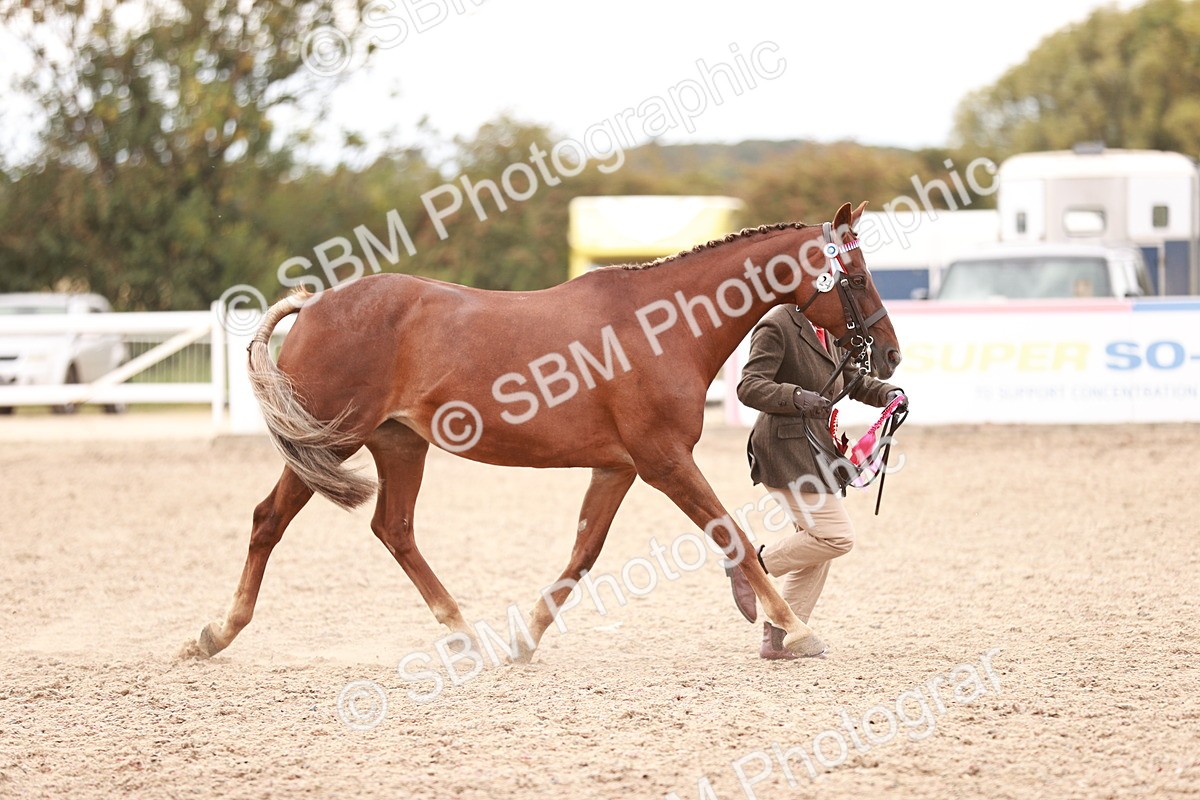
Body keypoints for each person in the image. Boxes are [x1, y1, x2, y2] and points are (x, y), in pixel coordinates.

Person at [730, 304, 906, 659]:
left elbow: (851, 380)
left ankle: (780, 637)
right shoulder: (777, 324)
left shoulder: (829, 324)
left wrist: (886, 394)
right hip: (783, 450)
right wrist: (796, 397)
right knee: (835, 536)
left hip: (815, 449)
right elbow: (749, 386)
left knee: (815, 544)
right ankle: (750, 564)